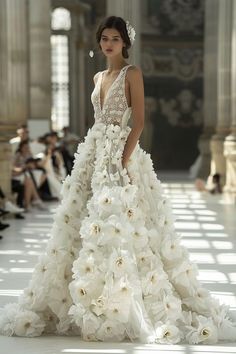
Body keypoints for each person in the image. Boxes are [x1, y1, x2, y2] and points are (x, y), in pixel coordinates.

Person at [0, 16, 235, 344]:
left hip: (121, 154)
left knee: (121, 222)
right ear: (100, 43)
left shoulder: (132, 73)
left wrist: (122, 161)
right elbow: (97, 119)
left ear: (125, 43)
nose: (109, 43)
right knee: (82, 220)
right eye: (105, 38)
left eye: (115, 38)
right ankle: (84, 297)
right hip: (94, 152)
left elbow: (138, 121)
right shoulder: (98, 76)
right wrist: (98, 155)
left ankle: (121, 299)